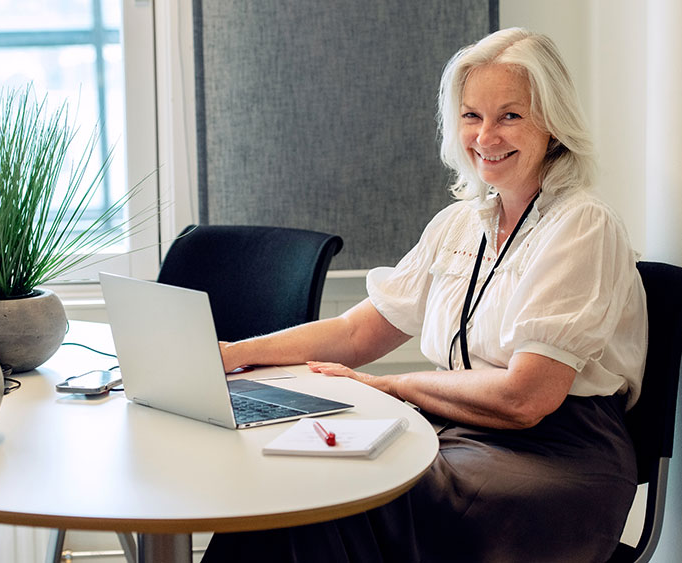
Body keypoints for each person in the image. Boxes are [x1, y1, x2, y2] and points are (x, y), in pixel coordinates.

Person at [204, 27, 647, 563]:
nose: (486, 136)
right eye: (471, 115)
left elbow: (527, 399)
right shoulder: (460, 222)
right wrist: (230, 354)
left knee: (334, 499)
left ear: (552, 122)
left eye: (510, 115)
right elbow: (356, 331)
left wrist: (390, 385)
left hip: (556, 460)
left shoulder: (582, 224)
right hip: (459, 431)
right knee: (288, 487)